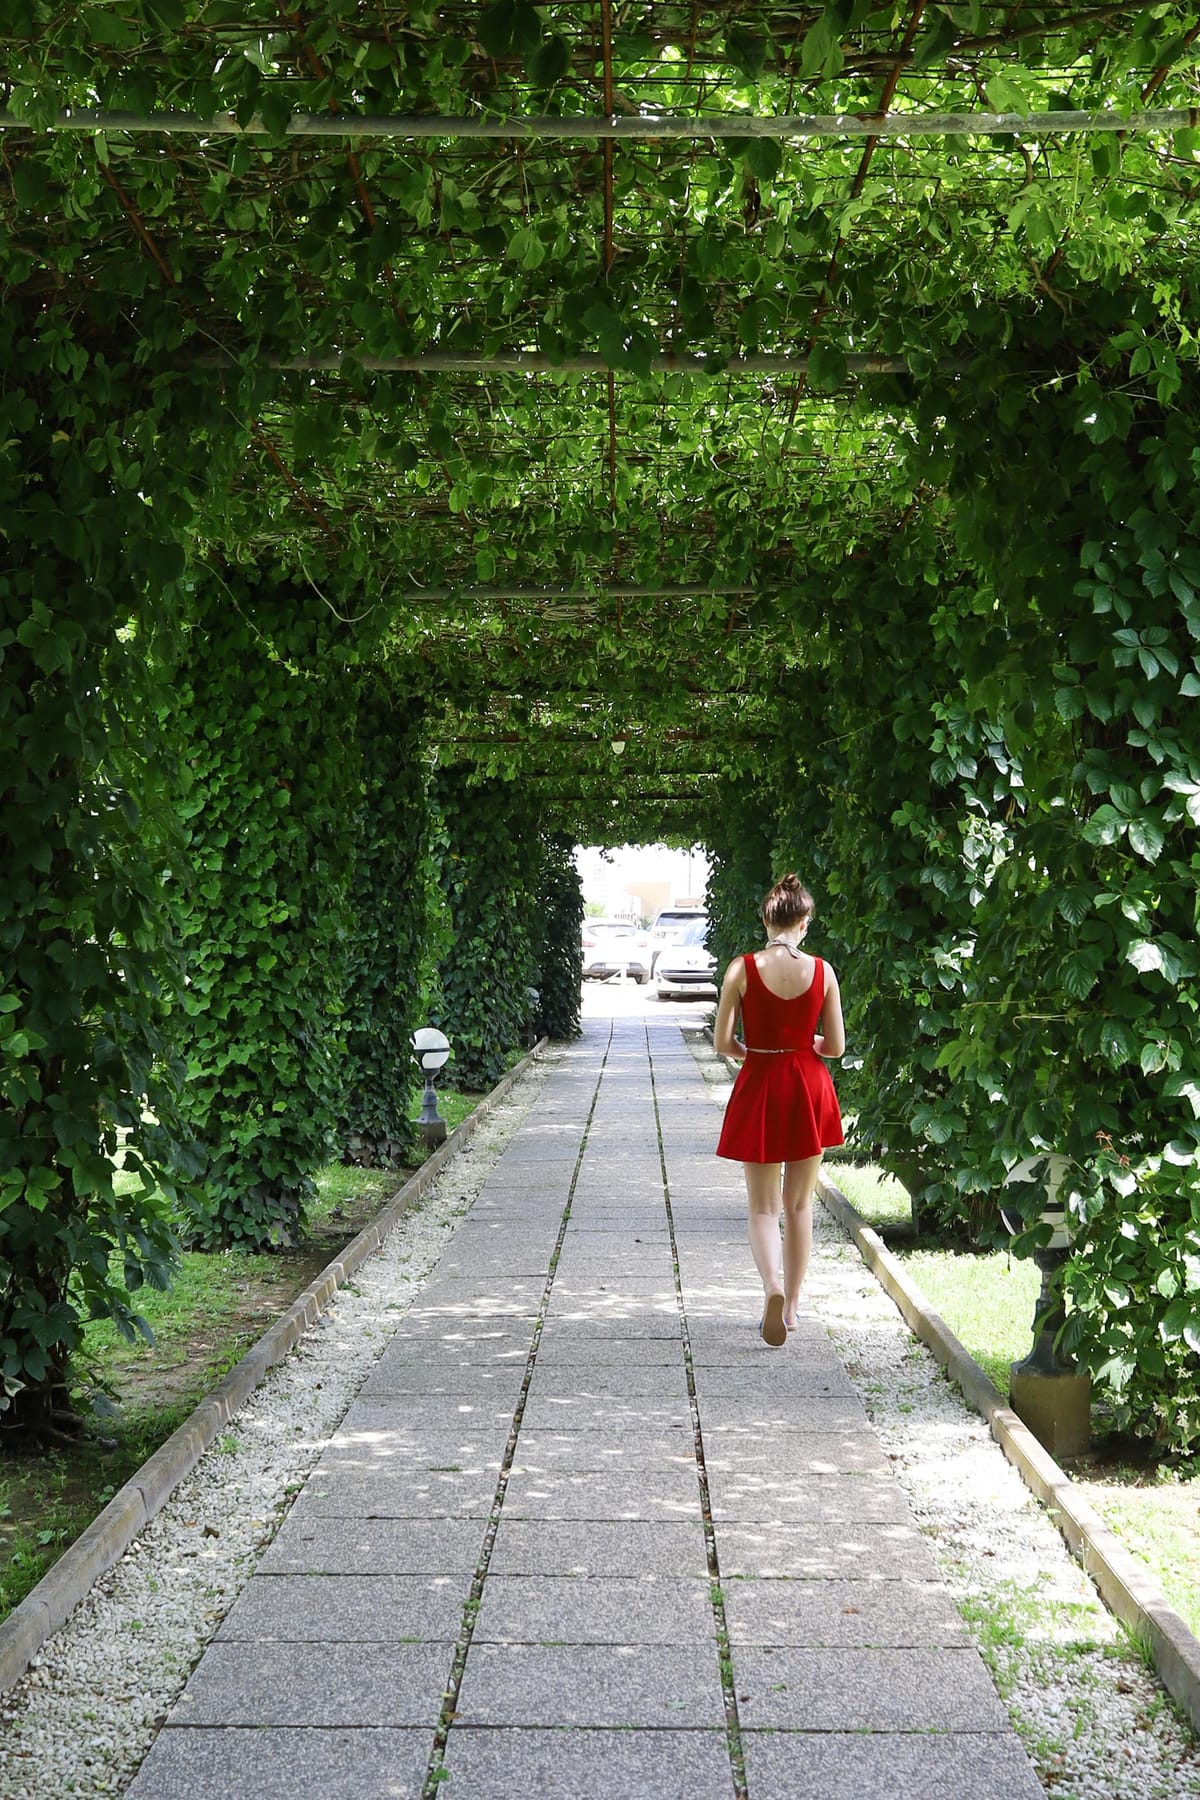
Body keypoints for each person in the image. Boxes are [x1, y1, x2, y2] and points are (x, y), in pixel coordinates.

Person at [713, 874, 845, 1347]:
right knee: (800, 1204)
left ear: (766, 921)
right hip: (808, 1086)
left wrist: (755, 1053)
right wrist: (806, 1044)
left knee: (763, 1208)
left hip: (762, 1084)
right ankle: (790, 1308)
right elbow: (836, 1046)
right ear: (804, 923)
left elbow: (723, 1041)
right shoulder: (823, 971)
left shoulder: (742, 969)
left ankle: (771, 1286)